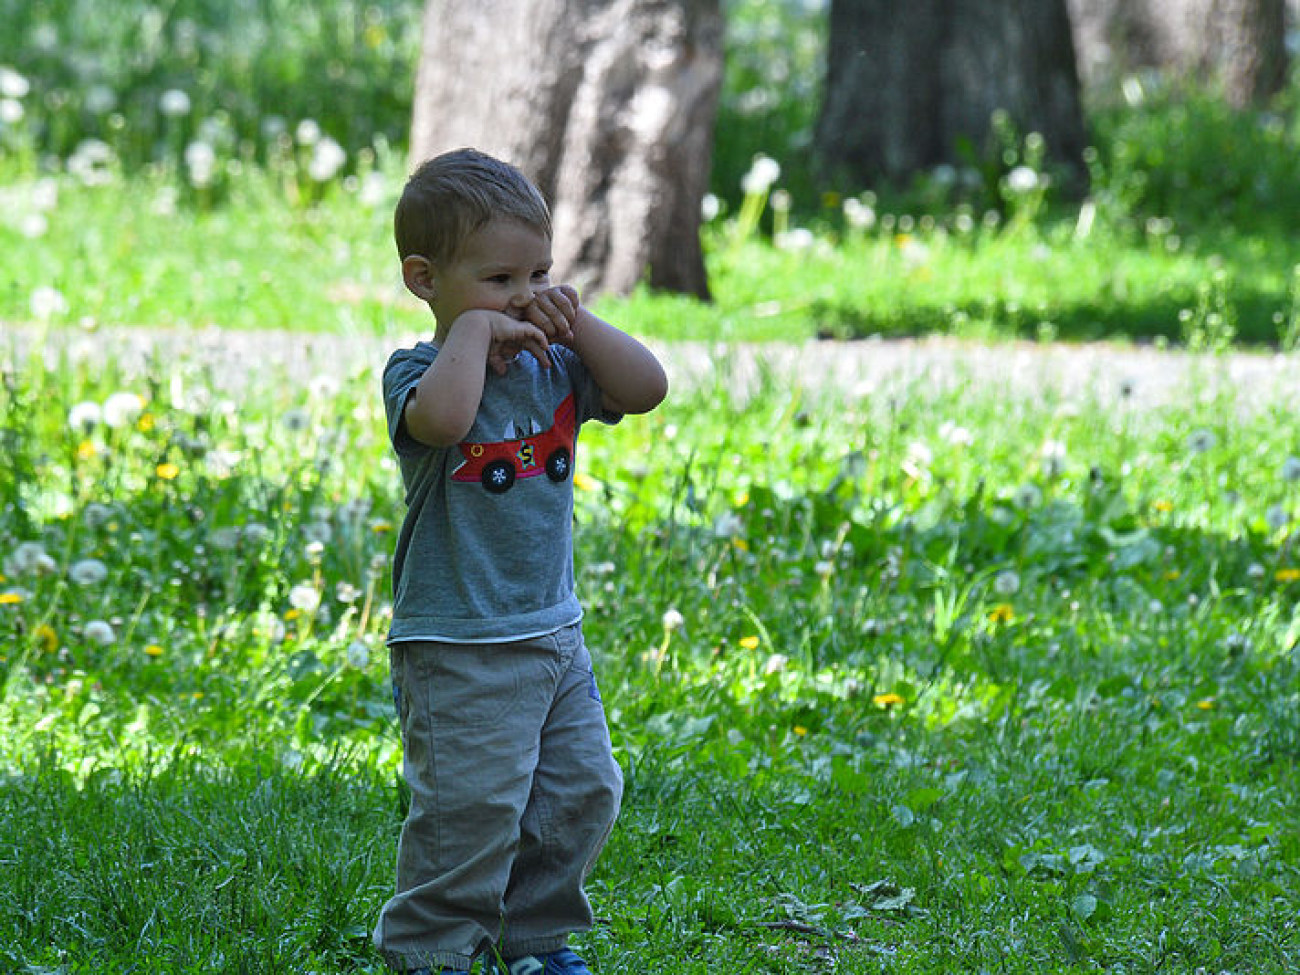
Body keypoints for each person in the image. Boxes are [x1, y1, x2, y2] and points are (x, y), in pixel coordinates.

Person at [374, 147, 668, 975]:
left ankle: (535, 938)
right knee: (470, 810)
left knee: (581, 790)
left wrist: (578, 323)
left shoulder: (558, 362)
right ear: (425, 279)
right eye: (500, 279)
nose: (525, 296)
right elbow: (443, 421)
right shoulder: (421, 371)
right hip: (459, 644)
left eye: (539, 271)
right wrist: (472, 332)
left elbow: (647, 387)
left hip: (552, 633)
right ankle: (431, 948)